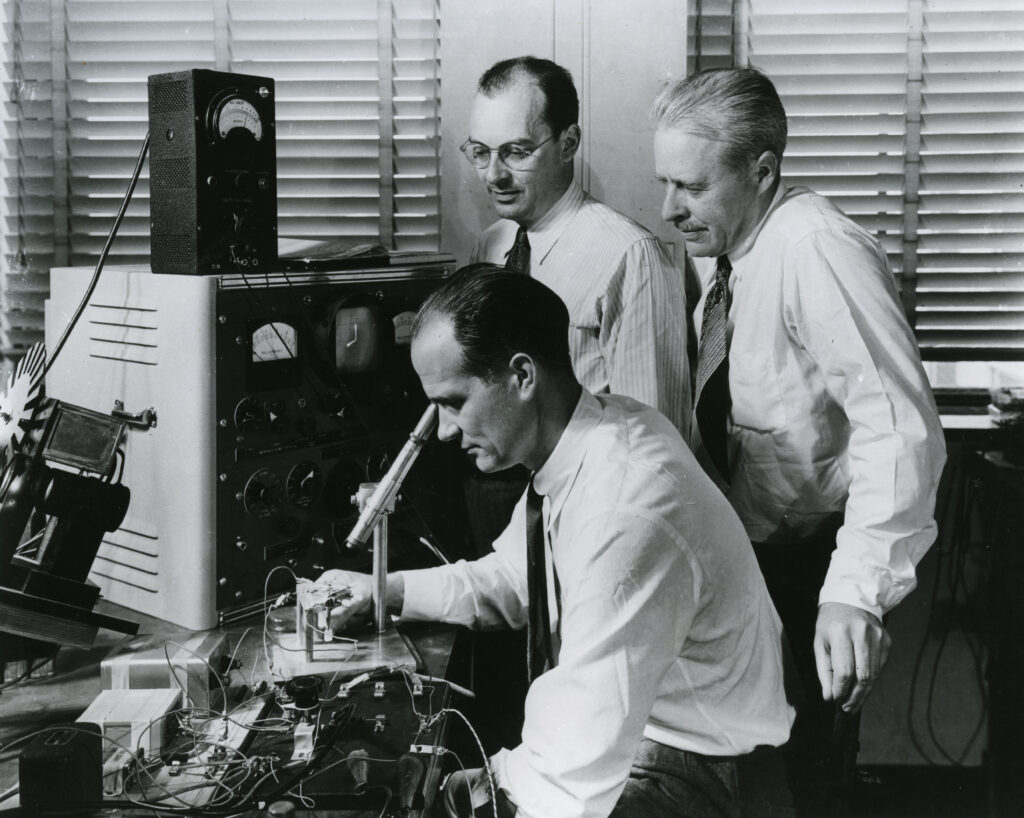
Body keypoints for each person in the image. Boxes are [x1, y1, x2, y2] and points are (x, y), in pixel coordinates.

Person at [319, 266, 793, 818]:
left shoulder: (624, 502)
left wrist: (469, 787)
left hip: (699, 769)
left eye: (453, 402)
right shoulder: (595, 438)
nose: (445, 432)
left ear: (522, 375)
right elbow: (515, 578)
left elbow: (575, 772)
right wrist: (386, 589)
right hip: (644, 739)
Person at [651, 67, 947, 813]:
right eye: (666, 184)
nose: (668, 208)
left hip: (810, 564)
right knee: (746, 771)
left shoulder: (816, 248)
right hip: (747, 556)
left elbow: (899, 427)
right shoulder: (725, 247)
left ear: (763, 171)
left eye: (690, 186)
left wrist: (855, 595)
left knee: (804, 780)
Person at [458, 55, 694, 754]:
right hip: (498, 517)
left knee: (584, 728)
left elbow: (654, 446)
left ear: (568, 143)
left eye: (517, 152)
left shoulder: (629, 256)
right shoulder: (492, 248)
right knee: (505, 720)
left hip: (586, 529)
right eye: (481, 153)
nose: (495, 175)